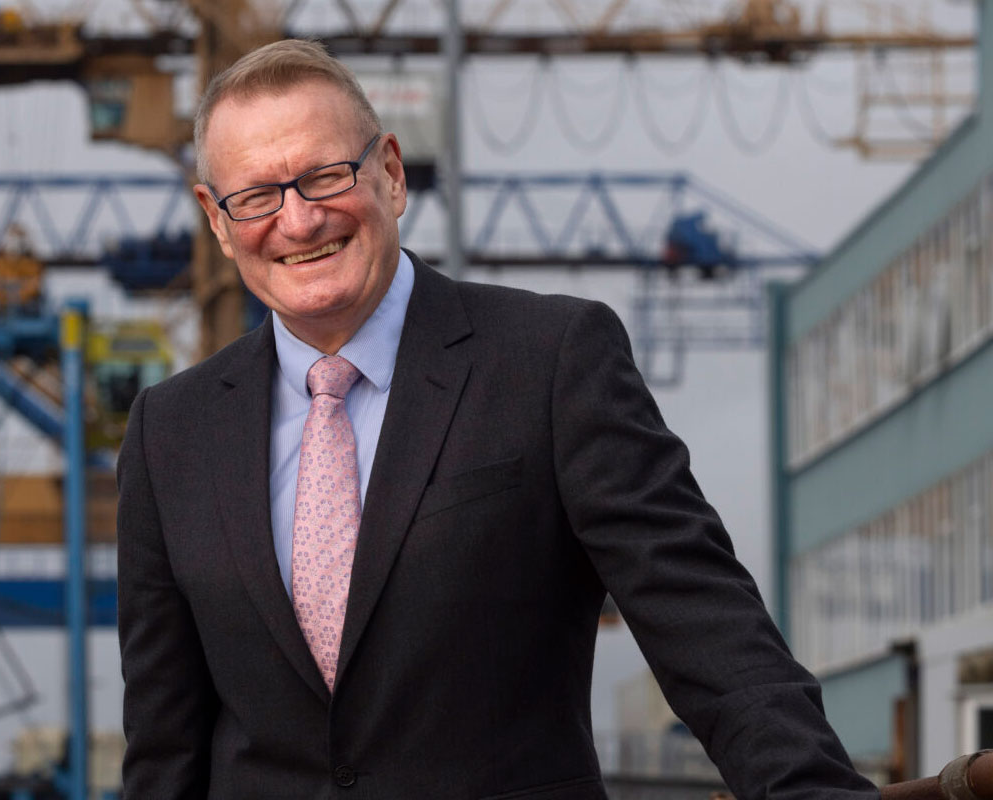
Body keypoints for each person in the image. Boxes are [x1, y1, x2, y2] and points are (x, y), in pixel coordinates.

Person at [116, 38, 878, 800]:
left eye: (325, 176)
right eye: (256, 197)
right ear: (216, 221)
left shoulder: (550, 362)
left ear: (388, 171)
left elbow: (704, 625)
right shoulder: (167, 434)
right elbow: (165, 744)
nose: (299, 220)